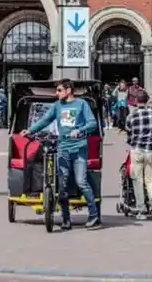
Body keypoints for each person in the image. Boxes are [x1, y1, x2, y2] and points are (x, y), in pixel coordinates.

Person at [21, 79, 101, 230]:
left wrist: (81, 130)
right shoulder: (57, 106)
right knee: (61, 185)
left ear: (68, 90)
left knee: (81, 181)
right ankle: (65, 219)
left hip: (79, 149)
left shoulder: (81, 104)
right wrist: (31, 130)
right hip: (63, 148)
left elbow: (92, 123)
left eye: (59, 90)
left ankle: (94, 215)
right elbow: (45, 120)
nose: (56, 93)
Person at [124, 91, 152, 219]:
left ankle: (141, 209)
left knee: (137, 180)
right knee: (151, 180)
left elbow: (129, 135)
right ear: (147, 100)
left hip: (137, 150)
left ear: (136, 101)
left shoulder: (131, 116)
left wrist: (132, 141)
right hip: (151, 150)